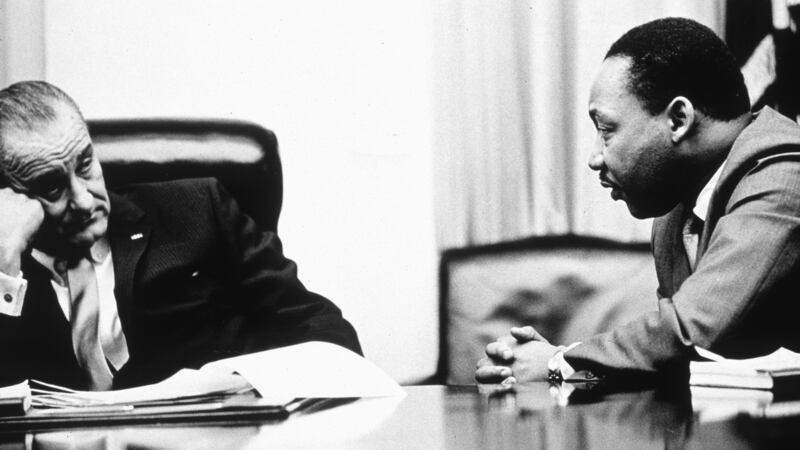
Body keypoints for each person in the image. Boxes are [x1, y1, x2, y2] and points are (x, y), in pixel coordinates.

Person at [476, 17, 800, 384]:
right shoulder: (676, 211)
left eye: (606, 130)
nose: (594, 158)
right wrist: (566, 366)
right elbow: (675, 359)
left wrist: (559, 361)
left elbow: (689, 330)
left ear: (678, 119)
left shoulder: (785, 175)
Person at [0, 81, 362, 390]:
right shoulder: (7, 269)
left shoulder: (197, 209)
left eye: (84, 165)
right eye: (51, 187)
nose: (82, 199)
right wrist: (5, 265)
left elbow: (319, 325)